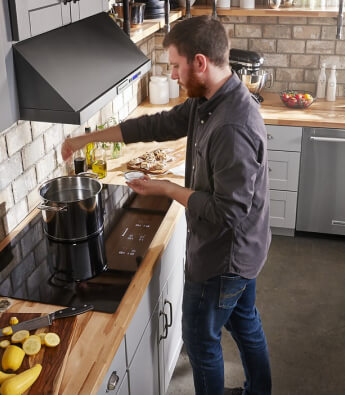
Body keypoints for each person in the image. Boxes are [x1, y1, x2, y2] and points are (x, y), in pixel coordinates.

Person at [61, 16, 271, 395]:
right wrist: (84, 140)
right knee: (246, 325)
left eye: (175, 65)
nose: (172, 74)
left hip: (223, 260)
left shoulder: (231, 125)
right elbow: (157, 125)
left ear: (200, 63)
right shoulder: (210, 100)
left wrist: (166, 188)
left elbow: (229, 212)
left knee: (200, 343)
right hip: (245, 252)